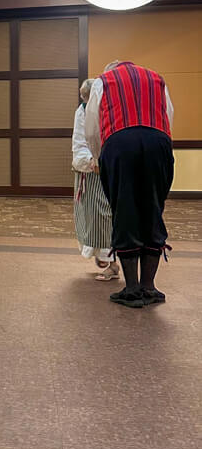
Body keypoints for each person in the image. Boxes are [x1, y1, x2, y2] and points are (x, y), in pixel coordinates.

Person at [85, 59, 174, 308]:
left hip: (119, 143)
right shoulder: (156, 77)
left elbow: (92, 126)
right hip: (158, 142)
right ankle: (149, 286)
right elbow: (168, 115)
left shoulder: (103, 81)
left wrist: (99, 156)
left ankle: (132, 288)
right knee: (153, 208)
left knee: (124, 211)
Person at [72, 79, 117, 281]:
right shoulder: (82, 111)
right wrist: (89, 161)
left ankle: (113, 262)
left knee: (107, 215)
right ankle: (105, 258)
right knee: (93, 216)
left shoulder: (110, 109)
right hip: (91, 170)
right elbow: (80, 140)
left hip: (109, 170)